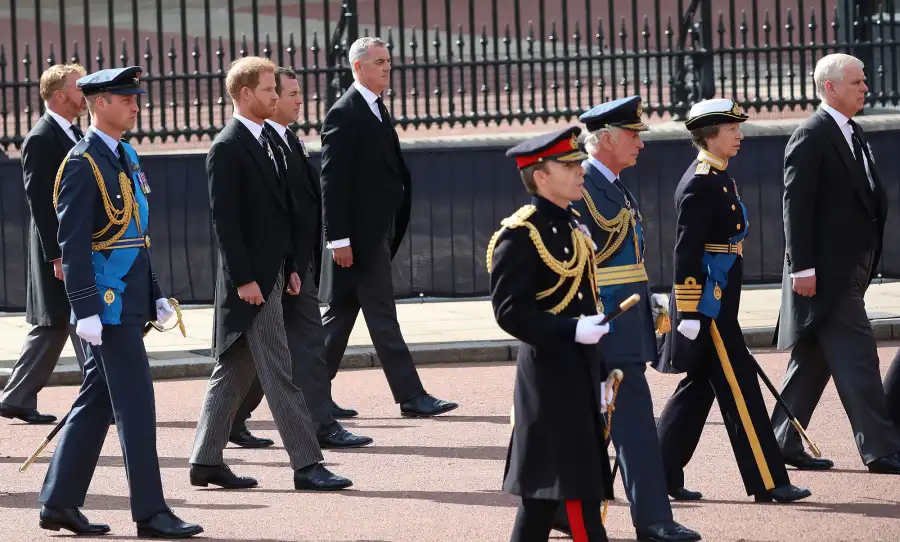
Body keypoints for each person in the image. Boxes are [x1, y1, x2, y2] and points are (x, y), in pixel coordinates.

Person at [37, 65, 202, 538]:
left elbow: (136, 235)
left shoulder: (125, 155)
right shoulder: (81, 161)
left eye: (136, 97)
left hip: (129, 297)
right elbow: (71, 244)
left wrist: (154, 295)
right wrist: (85, 308)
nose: (135, 104)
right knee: (137, 404)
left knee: (99, 399)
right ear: (100, 102)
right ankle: (150, 513)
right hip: (104, 306)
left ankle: (58, 501)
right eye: (125, 98)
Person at [188, 56, 351, 492]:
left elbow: (285, 213)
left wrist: (293, 268)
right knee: (279, 370)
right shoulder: (227, 147)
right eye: (268, 90)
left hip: (275, 274)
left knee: (236, 368)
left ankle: (205, 460)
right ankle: (306, 464)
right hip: (250, 283)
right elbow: (226, 222)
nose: (276, 97)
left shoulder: (271, 141)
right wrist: (245, 279)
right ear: (244, 94)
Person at [549, 96, 698, 542]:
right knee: (632, 422)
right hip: (605, 321)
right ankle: (653, 519)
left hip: (623, 317)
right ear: (607, 138)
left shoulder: (608, 181)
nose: (640, 144)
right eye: (632, 135)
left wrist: (647, 299)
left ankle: (558, 506)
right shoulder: (586, 184)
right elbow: (575, 263)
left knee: (597, 420)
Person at [653, 98, 811, 504]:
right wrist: (688, 311)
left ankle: (659, 473)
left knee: (698, 389)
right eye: (732, 130)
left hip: (719, 300)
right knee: (740, 387)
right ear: (709, 136)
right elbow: (685, 252)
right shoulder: (701, 181)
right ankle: (768, 480)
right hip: (708, 305)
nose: (739, 135)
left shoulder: (719, 176)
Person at [228, 66, 372, 450]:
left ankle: (237, 418)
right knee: (292, 346)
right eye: (282, 92)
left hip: (294, 263)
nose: (291, 99)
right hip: (279, 264)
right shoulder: (259, 144)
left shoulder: (287, 140)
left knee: (283, 347)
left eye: (289, 92)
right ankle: (319, 425)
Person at [771, 52, 900, 474]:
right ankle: (880, 448)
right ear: (829, 87)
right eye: (857, 82)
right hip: (826, 275)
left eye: (864, 81)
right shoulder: (811, 134)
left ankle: (781, 442)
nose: (866, 88)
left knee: (813, 360)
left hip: (853, 268)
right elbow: (796, 205)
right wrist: (802, 267)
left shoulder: (853, 131)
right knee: (861, 357)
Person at [319, 36, 457, 419]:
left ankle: (310, 395)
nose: (386, 67)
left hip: (373, 233)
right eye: (379, 61)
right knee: (381, 315)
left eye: (389, 62)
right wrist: (339, 238)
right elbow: (332, 181)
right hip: (357, 239)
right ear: (358, 67)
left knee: (340, 316)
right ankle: (411, 396)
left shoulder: (376, 108)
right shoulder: (345, 112)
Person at [490, 126, 614, 541]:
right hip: (548, 378)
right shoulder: (520, 234)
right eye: (569, 164)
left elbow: (587, 300)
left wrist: (601, 371)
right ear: (541, 175)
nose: (580, 170)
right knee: (577, 499)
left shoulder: (573, 225)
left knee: (541, 502)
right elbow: (510, 313)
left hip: (577, 373)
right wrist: (571, 329)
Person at [0, 64, 89, 424]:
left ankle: (17, 396)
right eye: (77, 88)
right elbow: (39, 201)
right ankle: (106, 393)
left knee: (55, 324)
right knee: (80, 316)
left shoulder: (71, 131)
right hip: (58, 248)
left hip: (71, 244)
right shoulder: (41, 137)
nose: (84, 94)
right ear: (58, 95)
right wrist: (56, 254)